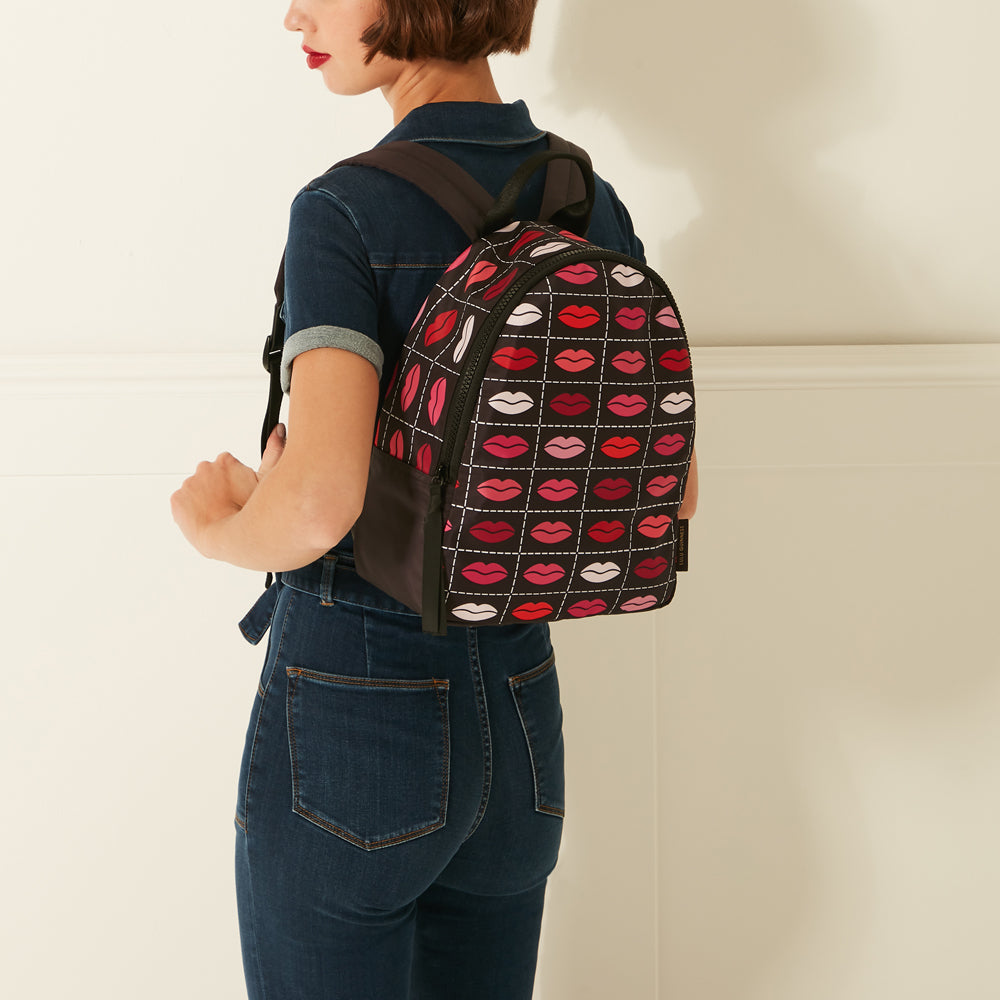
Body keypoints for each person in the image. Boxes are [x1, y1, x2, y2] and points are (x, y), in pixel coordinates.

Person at [170, 1, 698, 997]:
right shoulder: (586, 201)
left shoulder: (346, 209)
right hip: (519, 710)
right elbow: (669, 493)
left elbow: (323, 503)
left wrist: (224, 523)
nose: (295, 14)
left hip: (353, 706)